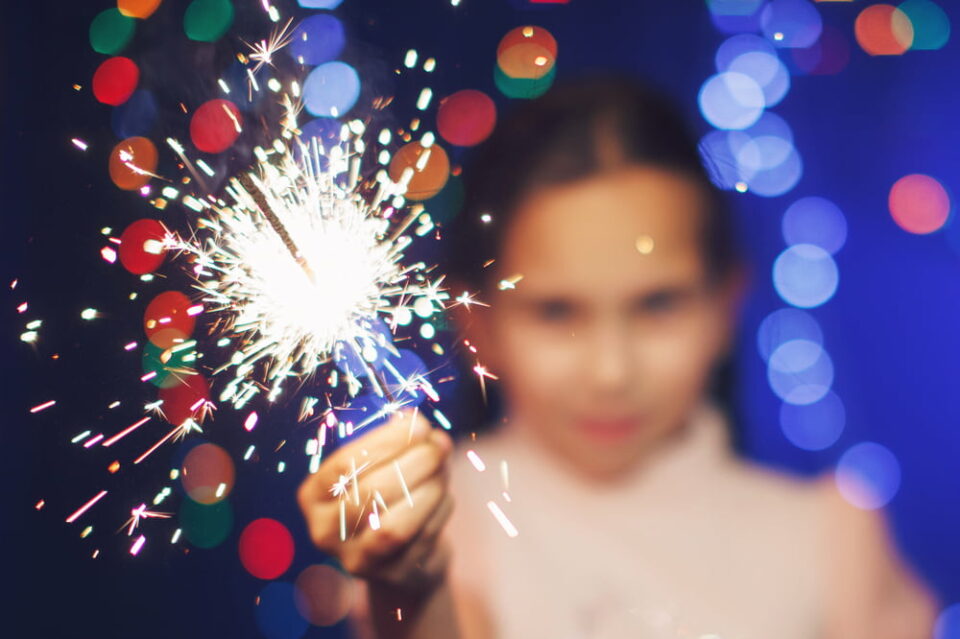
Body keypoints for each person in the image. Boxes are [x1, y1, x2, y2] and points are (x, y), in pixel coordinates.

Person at [297, 76, 938, 639]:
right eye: (556, 311)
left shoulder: (829, 539)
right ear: (477, 323)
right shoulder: (438, 518)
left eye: (658, 305)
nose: (611, 372)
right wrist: (411, 585)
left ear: (726, 305)